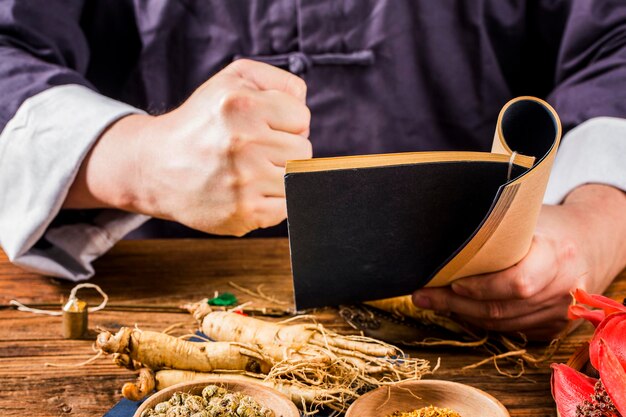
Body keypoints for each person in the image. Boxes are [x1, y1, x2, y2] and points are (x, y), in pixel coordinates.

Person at [0, 1, 625, 340]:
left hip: (481, 310)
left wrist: (595, 224)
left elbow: (614, 45)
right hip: (156, 298)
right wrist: (135, 155)